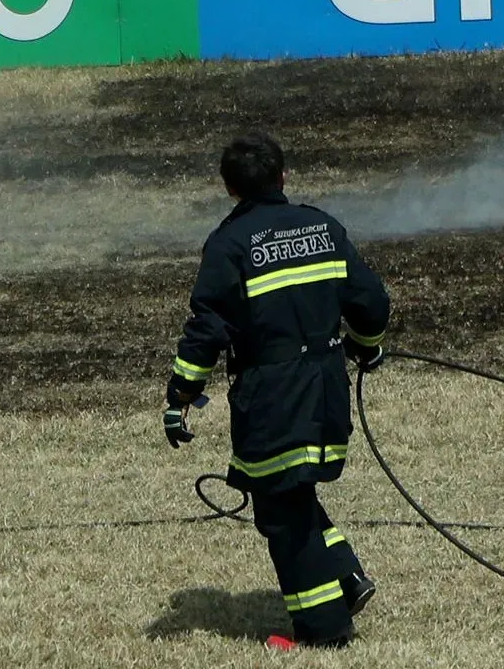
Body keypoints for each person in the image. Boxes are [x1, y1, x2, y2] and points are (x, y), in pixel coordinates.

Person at [165, 132, 391, 651]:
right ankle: (347, 577)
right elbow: (371, 302)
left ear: (229, 188)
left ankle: (324, 632)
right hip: (327, 391)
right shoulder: (322, 226)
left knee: (281, 513)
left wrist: (181, 396)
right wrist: (367, 347)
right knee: (290, 492)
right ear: (283, 176)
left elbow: (207, 329)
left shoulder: (229, 244)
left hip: (272, 398)